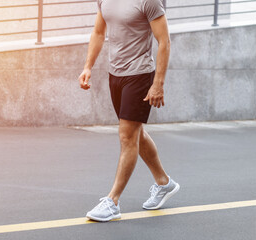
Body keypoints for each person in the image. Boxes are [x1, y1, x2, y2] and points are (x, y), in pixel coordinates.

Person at [77, 0, 180, 222]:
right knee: (135, 133)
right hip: (115, 75)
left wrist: (158, 84)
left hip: (140, 74)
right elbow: (98, 31)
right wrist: (87, 66)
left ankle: (112, 201)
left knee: (126, 135)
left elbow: (164, 41)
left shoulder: (148, 1)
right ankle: (164, 183)